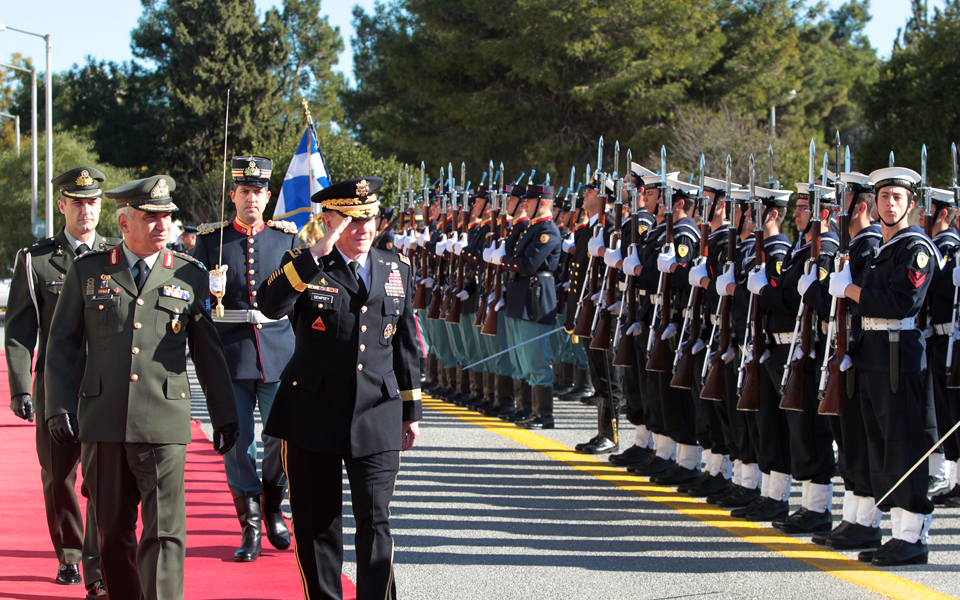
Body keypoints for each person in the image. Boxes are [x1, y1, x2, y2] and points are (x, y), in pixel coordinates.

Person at [43, 174, 240, 600]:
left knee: (166, 532)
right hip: (104, 420)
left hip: (163, 421)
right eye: (150, 217)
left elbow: (208, 353)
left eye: (166, 216)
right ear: (124, 220)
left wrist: (225, 413)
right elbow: (62, 345)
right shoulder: (90, 271)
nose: (162, 225)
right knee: (111, 530)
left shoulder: (189, 275)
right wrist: (58, 405)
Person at [259, 175, 422, 600]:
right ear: (329, 220)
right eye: (351, 220)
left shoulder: (395, 268)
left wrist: (411, 410)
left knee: (376, 520)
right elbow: (269, 304)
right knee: (317, 524)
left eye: (370, 218)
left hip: (377, 412)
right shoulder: (308, 265)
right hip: (313, 412)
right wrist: (316, 252)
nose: (364, 229)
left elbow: (405, 343)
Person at [4, 167, 117, 596]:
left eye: (93, 202)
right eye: (78, 202)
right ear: (62, 205)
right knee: (58, 477)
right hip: (57, 387)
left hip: (107, 386)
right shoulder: (35, 260)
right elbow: (18, 329)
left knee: (104, 479)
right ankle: (70, 553)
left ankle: (99, 555)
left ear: (100, 206)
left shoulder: (117, 254)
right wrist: (19, 385)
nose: (86, 210)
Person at [829, 166, 938, 566]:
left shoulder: (916, 248)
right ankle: (890, 530)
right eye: (884, 197)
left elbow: (902, 303)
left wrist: (852, 290)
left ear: (911, 202)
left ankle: (912, 537)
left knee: (903, 444)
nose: (890, 203)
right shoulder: (880, 248)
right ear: (873, 203)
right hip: (872, 350)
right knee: (878, 442)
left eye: (897, 197)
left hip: (897, 352)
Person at [192, 156, 298, 561]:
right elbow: (197, 305)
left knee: (280, 439)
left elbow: (300, 303)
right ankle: (250, 523)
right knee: (237, 444)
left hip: (277, 352)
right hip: (230, 354)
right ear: (233, 195)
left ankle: (273, 505)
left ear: (267, 197)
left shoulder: (286, 240)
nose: (251, 198)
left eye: (258, 192)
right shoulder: (210, 240)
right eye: (244, 191)